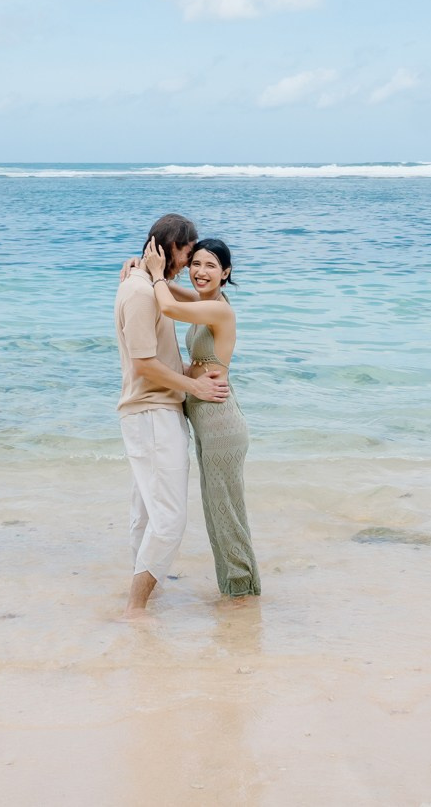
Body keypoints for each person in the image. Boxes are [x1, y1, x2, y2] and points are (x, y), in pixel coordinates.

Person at [116, 213, 228, 618]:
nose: (189, 261)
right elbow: (144, 363)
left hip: (151, 411)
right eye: (186, 253)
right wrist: (195, 387)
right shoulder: (141, 293)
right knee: (169, 520)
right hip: (152, 411)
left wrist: (149, 271)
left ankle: (145, 593)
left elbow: (195, 303)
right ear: (166, 247)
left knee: (146, 513)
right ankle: (136, 606)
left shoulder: (143, 284)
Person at [147, 237, 260, 601]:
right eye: (195, 263)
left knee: (226, 510)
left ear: (226, 273)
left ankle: (242, 593)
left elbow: (166, 304)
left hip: (220, 422)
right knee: (215, 510)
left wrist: (154, 275)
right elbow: (176, 293)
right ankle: (234, 590)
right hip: (207, 418)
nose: (200, 271)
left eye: (211, 265)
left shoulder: (219, 310)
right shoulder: (205, 302)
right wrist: (143, 268)